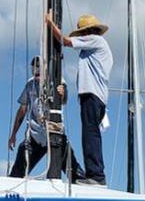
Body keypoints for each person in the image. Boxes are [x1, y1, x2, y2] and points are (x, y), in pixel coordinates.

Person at [45, 11, 113, 185]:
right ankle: (94, 174)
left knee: (90, 135)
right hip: (93, 95)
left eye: (82, 33)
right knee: (89, 135)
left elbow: (66, 41)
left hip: (93, 94)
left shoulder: (95, 40)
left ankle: (96, 176)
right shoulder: (93, 45)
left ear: (88, 31)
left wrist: (50, 23)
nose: (82, 36)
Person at [8, 56, 84, 181]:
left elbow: (64, 100)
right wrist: (13, 135)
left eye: (39, 68)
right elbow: (22, 110)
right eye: (34, 68)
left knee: (74, 172)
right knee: (16, 173)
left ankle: (81, 182)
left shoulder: (58, 80)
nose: (36, 71)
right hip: (35, 136)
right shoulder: (30, 85)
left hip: (55, 134)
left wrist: (62, 93)